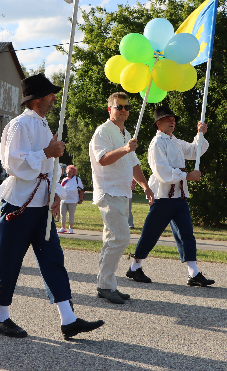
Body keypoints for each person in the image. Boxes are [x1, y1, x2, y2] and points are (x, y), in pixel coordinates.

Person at [0, 73, 104, 340]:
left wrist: (56, 193)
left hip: (42, 205)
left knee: (53, 259)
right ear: (37, 98)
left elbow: (50, 167)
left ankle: (68, 319)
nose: (54, 98)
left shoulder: (44, 125)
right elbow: (12, 163)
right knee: (10, 260)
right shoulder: (19, 125)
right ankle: (1, 317)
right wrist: (47, 152)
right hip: (19, 203)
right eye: (50, 94)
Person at [127, 105, 213, 287]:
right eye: (168, 119)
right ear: (159, 123)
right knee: (151, 232)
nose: (172, 122)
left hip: (179, 197)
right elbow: (161, 171)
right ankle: (135, 267)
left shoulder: (175, 141)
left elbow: (194, 151)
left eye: (173, 119)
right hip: (163, 196)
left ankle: (193, 273)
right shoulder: (157, 143)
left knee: (186, 234)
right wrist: (187, 176)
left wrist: (200, 134)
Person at [89, 92, 154, 304]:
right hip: (108, 192)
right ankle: (105, 286)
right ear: (110, 109)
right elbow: (102, 159)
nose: (124, 110)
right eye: (119, 107)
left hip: (122, 193)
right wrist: (125, 149)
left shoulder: (126, 133)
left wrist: (145, 186)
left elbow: (134, 164)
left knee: (112, 240)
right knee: (121, 238)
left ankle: (106, 285)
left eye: (126, 107)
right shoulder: (103, 131)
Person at [57, 165, 83, 234]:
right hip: (64, 200)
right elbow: (60, 189)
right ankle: (63, 228)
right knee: (63, 214)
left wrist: (80, 199)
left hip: (73, 200)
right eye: (67, 172)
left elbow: (81, 190)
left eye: (70, 172)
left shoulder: (77, 179)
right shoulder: (64, 180)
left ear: (73, 172)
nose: (68, 173)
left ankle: (71, 229)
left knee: (71, 214)